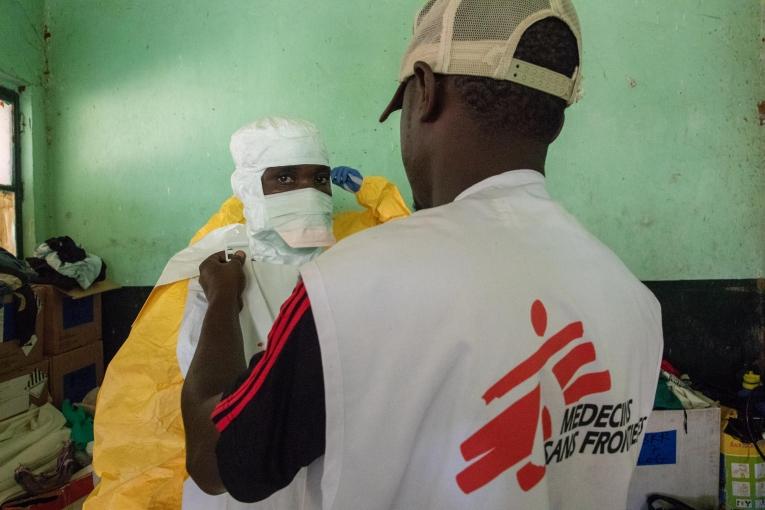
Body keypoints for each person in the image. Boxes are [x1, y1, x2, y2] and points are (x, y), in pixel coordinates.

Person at [182, 1, 663, 509]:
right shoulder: (633, 304)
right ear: (556, 118)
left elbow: (215, 462)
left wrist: (220, 300)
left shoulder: (352, 285)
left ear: (425, 91)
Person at [86, 118, 409, 510]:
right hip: (241, 488)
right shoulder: (215, 268)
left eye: (319, 179)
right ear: (247, 188)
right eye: (285, 179)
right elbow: (202, 412)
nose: (308, 192)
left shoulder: (349, 260)